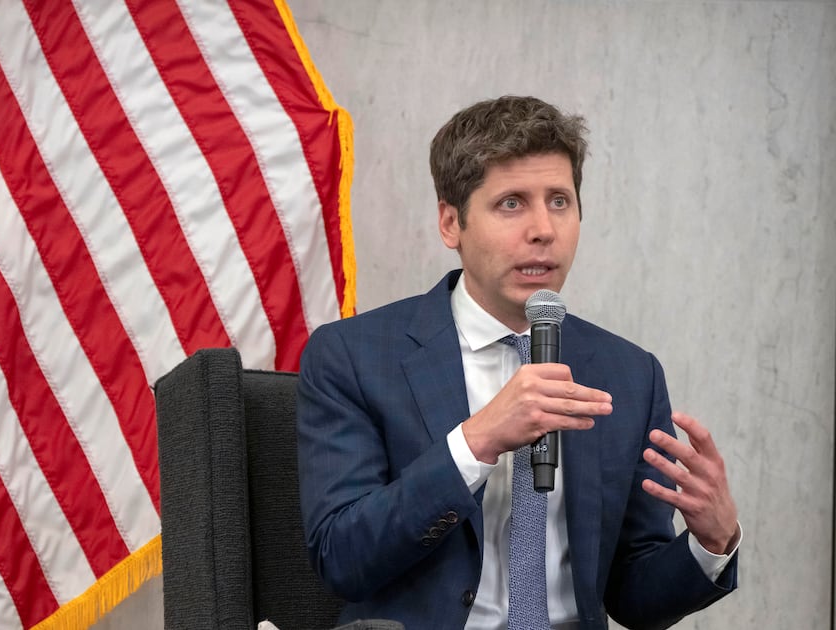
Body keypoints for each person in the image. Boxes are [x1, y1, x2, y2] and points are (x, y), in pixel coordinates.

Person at [296, 96, 740, 630]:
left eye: (559, 201)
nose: (543, 229)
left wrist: (710, 543)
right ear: (451, 223)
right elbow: (342, 559)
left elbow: (633, 596)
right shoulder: (353, 356)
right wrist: (476, 442)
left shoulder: (629, 373)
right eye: (511, 203)